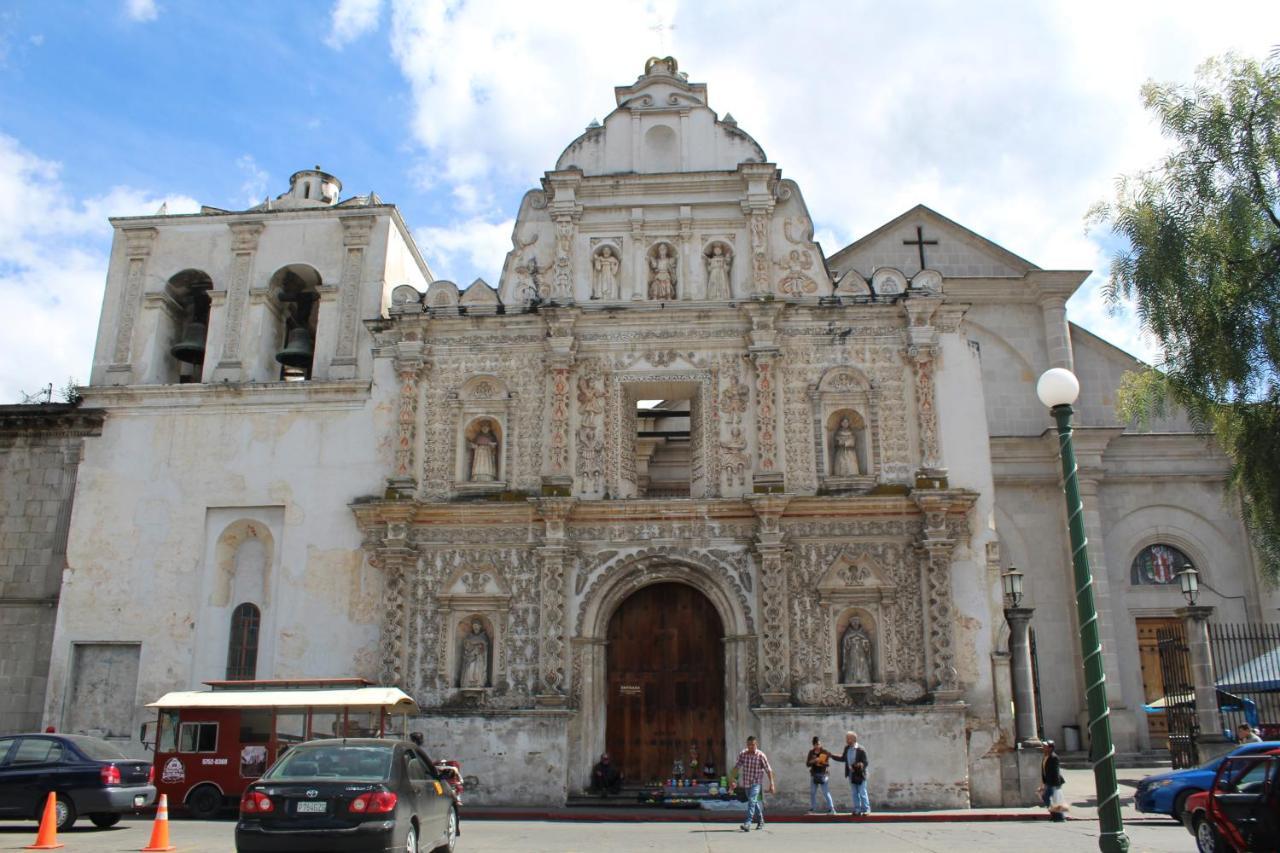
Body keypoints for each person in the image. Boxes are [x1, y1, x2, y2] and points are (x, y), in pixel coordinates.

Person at [728, 735, 775, 831]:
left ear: (756, 744)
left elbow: (768, 770)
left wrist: (772, 784)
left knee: (752, 801)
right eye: (749, 745)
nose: (750, 747)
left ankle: (748, 823)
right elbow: (736, 767)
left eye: (752, 745)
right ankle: (761, 820)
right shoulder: (743, 754)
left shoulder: (761, 755)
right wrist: (732, 779)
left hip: (756, 782)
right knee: (753, 801)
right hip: (747, 782)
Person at [835, 731, 870, 815]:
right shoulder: (847, 748)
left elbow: (865, 762)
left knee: (862, 792)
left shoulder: (861, 749)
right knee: (854, 793)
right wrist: (832, 756)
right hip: (851, 774)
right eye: (846, 739)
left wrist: (858, 766)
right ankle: (857, 809)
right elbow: (843, 758)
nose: (846, 740)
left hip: (860, 775)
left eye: (848, 739)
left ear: (853, 739)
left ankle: (866, 809)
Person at [806, 736, 835, 814]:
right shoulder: (811, 752)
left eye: (818, 744)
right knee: (812, 792)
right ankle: (813, 808)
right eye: (815, 744)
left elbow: (827, 764)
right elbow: (807, 764)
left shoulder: (824, 752)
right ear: (813, 745)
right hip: (814, 775)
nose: (817, 746)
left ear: (820, 743)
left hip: (823, 775)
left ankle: (831, 809)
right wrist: (814, 760)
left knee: (826, 792)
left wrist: (821, 763)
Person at [1039, 740, 1067, 822]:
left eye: (1045, 746)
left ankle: (1059, 816)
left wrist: (1055, 785)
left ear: (1050, 748)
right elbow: (1044, 771)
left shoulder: (1054, 757)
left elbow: (1056, 772)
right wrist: (1044, 783)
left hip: (1054, 782)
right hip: (1048, 782)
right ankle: (1055, 815)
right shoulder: (1045, 756)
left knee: (1054, 798)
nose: (1043, 748)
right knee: (1050, 798)